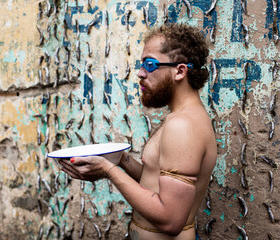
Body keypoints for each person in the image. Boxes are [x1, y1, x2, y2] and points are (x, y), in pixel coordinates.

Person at [59, 23, 217, 240]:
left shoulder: (183, 125)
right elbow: (155, 183)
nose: (141, 73)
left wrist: (108, 170)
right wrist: (120, 160)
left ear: (180, 71)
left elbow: (171, 220)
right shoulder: (181, 117)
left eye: (150, 65)